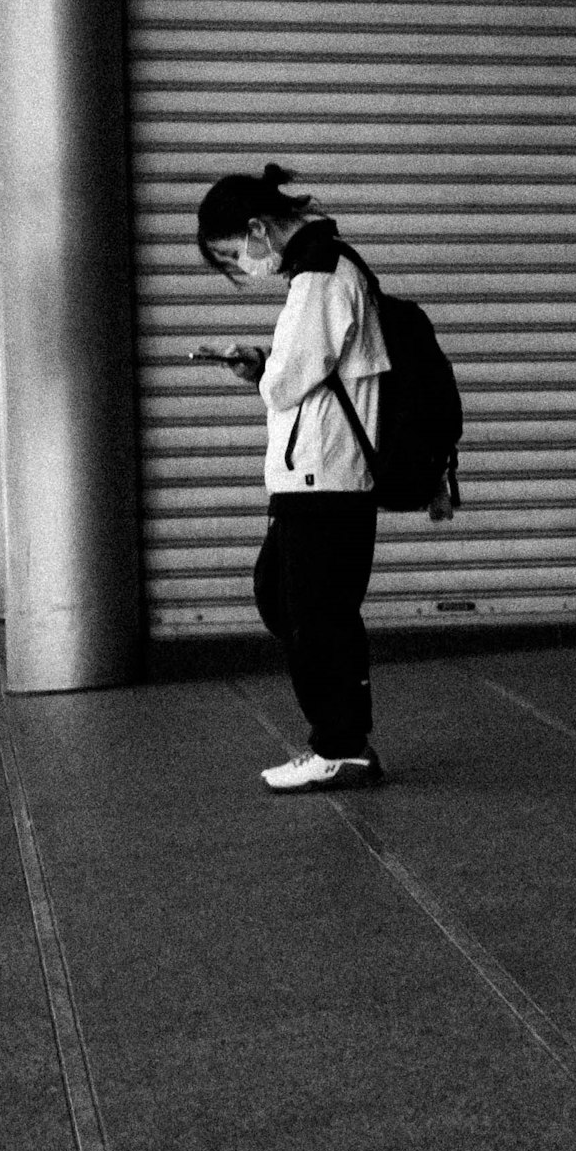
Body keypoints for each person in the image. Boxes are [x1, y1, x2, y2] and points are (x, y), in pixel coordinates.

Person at [195, 164, 389, 793]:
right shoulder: (317, 274)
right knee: (293, 605)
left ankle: (340, 747)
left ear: (257, 229)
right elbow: (299, 373)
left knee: (315, 617)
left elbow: (287, 382)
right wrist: (265, 364)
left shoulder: (323, 275)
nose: (241, 267)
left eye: (233, 254)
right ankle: (345, 737)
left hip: (326, 478)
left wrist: (264, 368)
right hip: (311, 479)